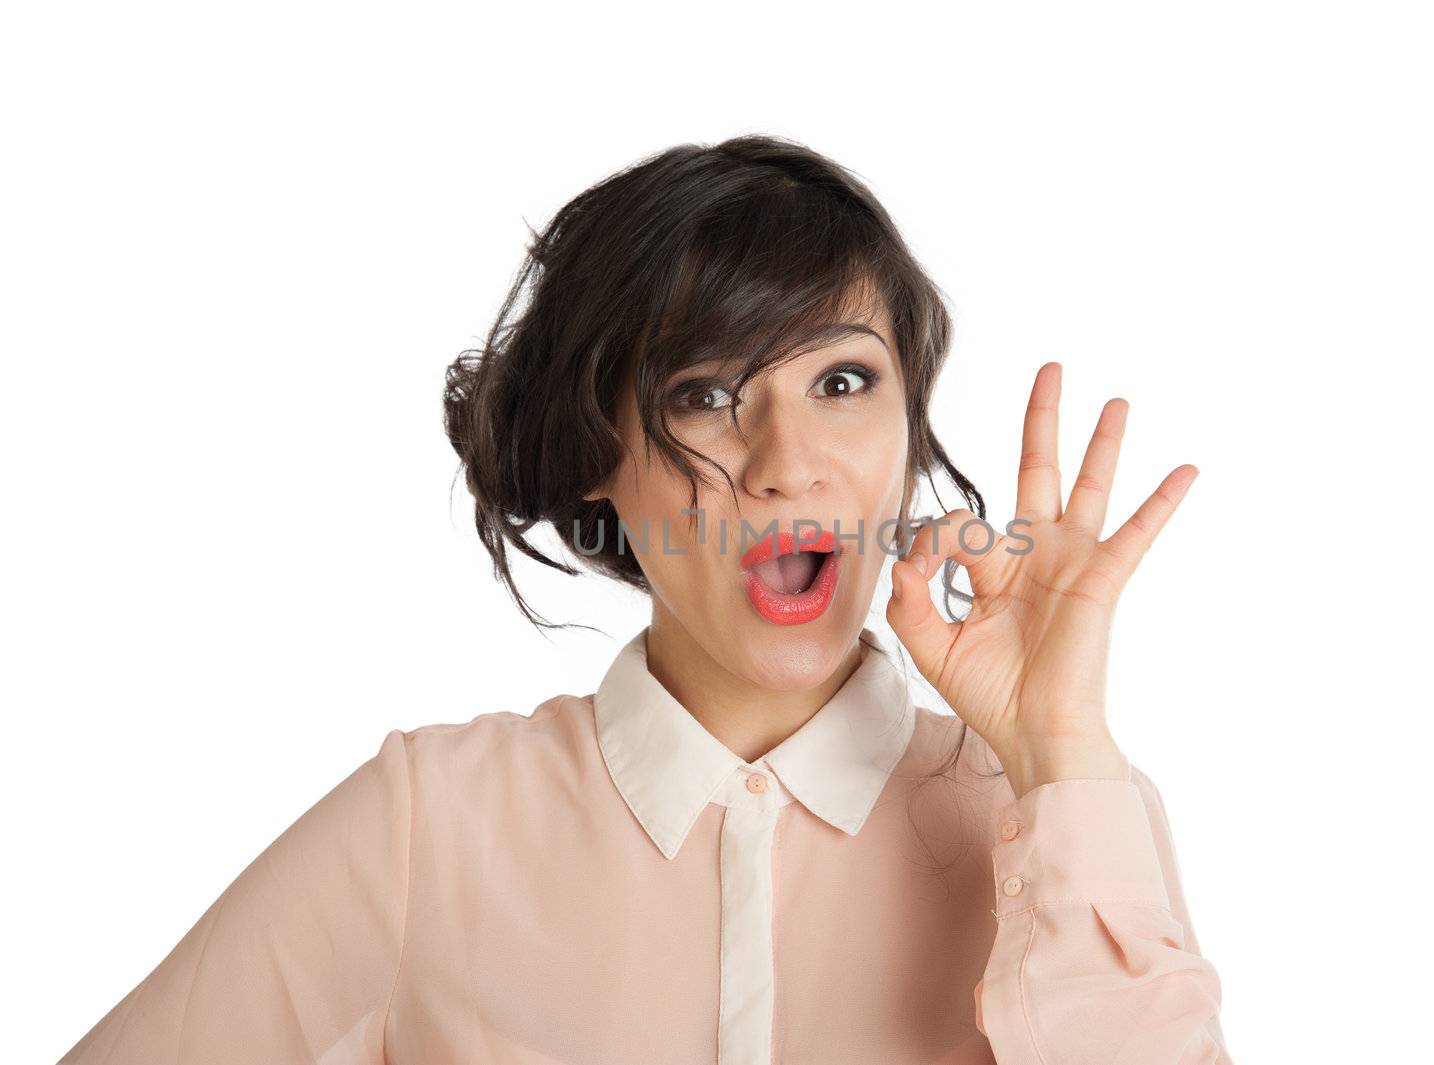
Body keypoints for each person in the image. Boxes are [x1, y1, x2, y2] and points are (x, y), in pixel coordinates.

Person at [59, 135, 1231, 1064]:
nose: (787, 461)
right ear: (595, 452)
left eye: (841, 380)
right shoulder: (431, 828)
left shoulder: (1056, 815)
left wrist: (1062, 748)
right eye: (706, 391)